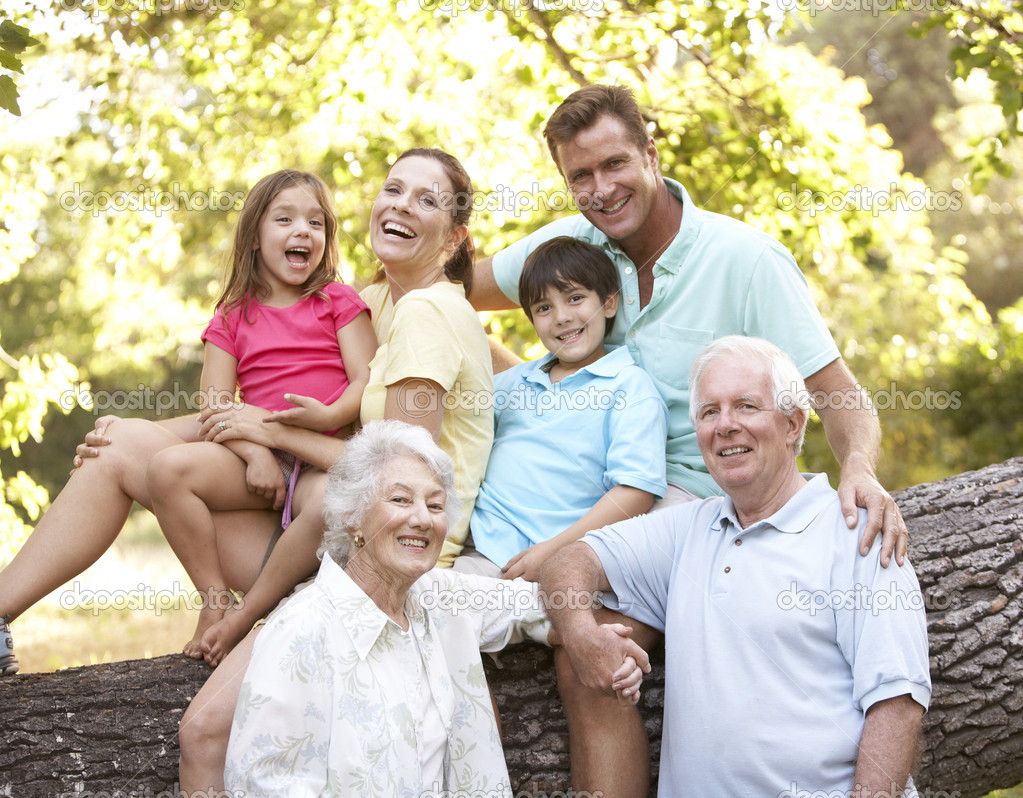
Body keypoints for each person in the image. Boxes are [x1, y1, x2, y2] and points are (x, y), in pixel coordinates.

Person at [468, 83, 910, 794]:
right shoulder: (574, 249)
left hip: (687, 495)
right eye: (579, 176)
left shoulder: (744, 259)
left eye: (615, 165)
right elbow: (453, 287)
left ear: (650, 153)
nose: (600, 190)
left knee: (593, 651)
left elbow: (837, 394)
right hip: (579, 487)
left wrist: (858, 465)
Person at [175, 147, 496, 795]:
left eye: (426, 200)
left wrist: (263, 430)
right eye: (393, 189)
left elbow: (401, 482)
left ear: (455, 236)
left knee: (206, 733)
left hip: (389, 571)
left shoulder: (428, 312)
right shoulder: (377, 301)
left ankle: (239, 615)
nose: (401, 205)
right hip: (341, 547)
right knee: (155, 466)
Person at [540, 336, 930, 798]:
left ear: (792, 425)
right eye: (709, 412)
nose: (724, 426)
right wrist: (581, 634)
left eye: (746, 406)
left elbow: (897, 700)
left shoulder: (855, 533)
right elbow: (568, 562)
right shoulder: (687, 529)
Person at [224, 420, 645, 795]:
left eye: (436, 504)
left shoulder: (442, 596)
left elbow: (543, 603)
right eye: (401, 500)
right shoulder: (301, 632)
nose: (423, 519)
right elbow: (264, 786)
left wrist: (585, 634)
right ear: (353, 516)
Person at [144, 169, 377, 662]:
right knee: (167, 470)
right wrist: (256, 456)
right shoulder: (231, 317)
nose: (303, 231)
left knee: (326, 506)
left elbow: (366, 379)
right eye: (285, 219)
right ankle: (213, 600)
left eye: (316, 223)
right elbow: (216, 406)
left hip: (322, 457)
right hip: (262, 451)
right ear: (254, 236)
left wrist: (328, 413)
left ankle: (252, 611)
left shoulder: (338, 301)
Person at [454, 236, 668, 582]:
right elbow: (462, 430)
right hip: (479, 541)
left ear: (610, 303)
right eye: (543, 308)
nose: (562, 317)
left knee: (448, 609)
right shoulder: (514, 381)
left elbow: (636, 491)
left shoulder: (629, 388)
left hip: (552, 555)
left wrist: (556, 549)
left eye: (575, 298)